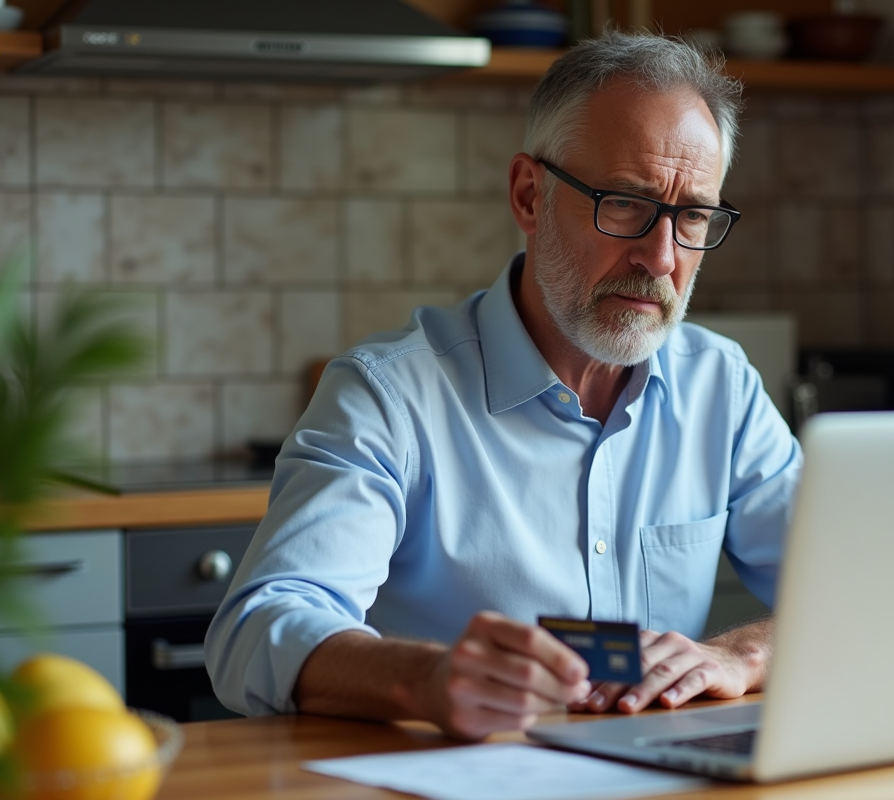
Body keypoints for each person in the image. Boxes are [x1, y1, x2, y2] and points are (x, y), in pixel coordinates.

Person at [205, 30, 802, 741]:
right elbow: (256, 628)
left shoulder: (720, 386)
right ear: (528, 195)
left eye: (693, 216)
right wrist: (423, 680)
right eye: (624, 204)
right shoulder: (389, 395)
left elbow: (865, 587)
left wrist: (745, 651)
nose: (661, 256)